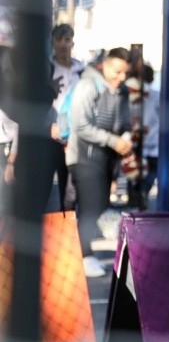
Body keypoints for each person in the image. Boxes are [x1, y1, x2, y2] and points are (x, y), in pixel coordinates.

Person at [66, 47, 133, 278]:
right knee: (88, 207)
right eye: (117, 71)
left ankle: (81, 253)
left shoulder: (122, 90)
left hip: (107, 159)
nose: (121, 77)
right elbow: (79, 125)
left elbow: (125, 122)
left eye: (125, 73)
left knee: (98, 204)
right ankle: (83, 255)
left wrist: (124, 139)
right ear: (105, 65)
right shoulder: (87, 85)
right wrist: (113, 141)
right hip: (84, 157)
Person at [49, 23, 84, 211]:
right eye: (59, 40)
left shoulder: (81, 71)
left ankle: (67, 228)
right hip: (50, 134)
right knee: (44, 187)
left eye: (67, 40)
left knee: (70, 189)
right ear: (52, 42)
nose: (63, 44)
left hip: (75, 138)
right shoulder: (47, 68)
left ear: (73, 42)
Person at [125, 64, 160, 201]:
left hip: (134, 141)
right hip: (153, 142)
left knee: (132, 172)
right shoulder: (157, 96)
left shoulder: (128, 93)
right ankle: (143, 192)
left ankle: (133, 198)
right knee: (151, 171)